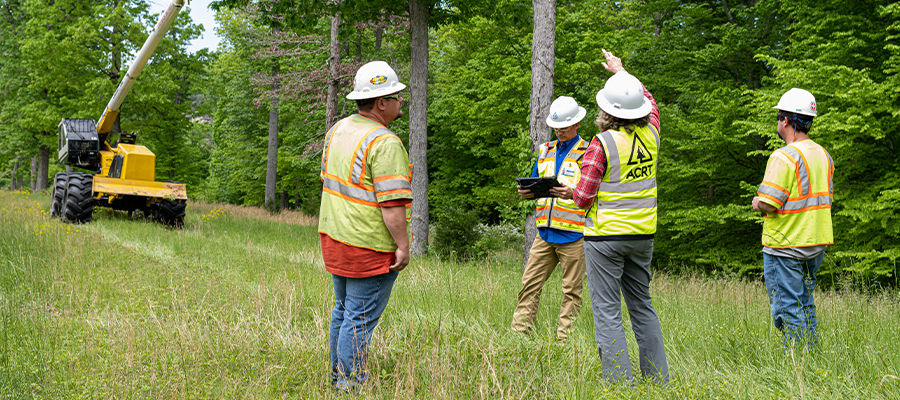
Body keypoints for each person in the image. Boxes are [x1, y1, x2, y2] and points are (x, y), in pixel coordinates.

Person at [573, 49, 668, 385]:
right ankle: (658, 382)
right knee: (642, 306)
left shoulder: (602, 143)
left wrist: (566, 190)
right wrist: (622, 72)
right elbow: (651, 105)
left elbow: (583, 197)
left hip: (605, 239)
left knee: (608, 311)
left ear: (605, 110)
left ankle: (619, 385)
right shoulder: (653, 135)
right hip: (643, 236)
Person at [318, 60, 412, 392]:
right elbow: (391, 205)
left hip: (334, 238)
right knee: (358, 319)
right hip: (368, 247)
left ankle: (337, 378)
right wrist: (403, 245)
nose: (402, 101)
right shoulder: (385, 142)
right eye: (397, 96)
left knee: (343, 312)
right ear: (381, 102)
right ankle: (348, 385)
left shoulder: (338, 130)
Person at [752, 88, 833, 348]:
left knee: (788, 309)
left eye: (778, 117)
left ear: (785, 120)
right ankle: (810, 355)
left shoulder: (784, 156)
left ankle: (798, 362)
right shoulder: (823, 154)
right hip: (815, 242)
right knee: (805, 302)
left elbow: (768, 202)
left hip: (785, 245)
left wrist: (756, 202)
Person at [511, 96, 589, 341]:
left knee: (571, 293)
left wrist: (572, 194)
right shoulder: (546, 150)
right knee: (529, 287)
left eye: (564, 127)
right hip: (544, 234)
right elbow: (536, 182)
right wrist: (527, 191)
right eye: (556, 127)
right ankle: (519, 337)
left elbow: (594, 193)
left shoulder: (589, 153)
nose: (559, 132)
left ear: (577, 124)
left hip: (575, 236)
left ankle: (565, 343)